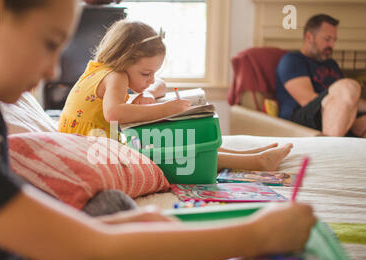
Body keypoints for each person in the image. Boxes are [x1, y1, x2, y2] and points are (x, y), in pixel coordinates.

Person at [0, 0, 316, 260]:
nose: (54, 71)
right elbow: (96, 255)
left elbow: (2, 236)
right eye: (49, 43)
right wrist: (259, 234)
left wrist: (114, 229)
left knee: (116, 210)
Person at [59, 19, 294, 171]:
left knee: (175, 143)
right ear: (123, 60)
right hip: (91, 153)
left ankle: (247, 155)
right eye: (146, 73)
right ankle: (257, 162)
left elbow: (159, 84)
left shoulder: (99, 71)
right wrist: (167, 109)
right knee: (178, 149)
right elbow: (113, 113)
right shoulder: (117, 77)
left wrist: (149, 91)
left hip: (87, 145)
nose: (151, 78)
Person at [276, 14, 366, 137]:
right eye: (327, 39)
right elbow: (306, 100)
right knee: (349, 85)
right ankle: (331, 146)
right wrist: (351, 120)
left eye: (334, 40)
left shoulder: (331, 64)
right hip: (301, 117)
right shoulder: (292, 60)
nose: (332, 45)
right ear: (309, 37)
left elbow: (348, 97)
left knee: (351, 88)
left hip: (333, 117)